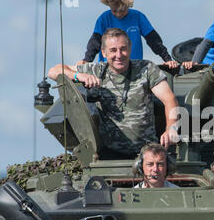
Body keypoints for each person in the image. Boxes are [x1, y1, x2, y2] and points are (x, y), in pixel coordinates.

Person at [48, 28, 179, 157]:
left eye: (123, 49)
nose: (119, 55)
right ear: (104, 53)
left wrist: (171, 129)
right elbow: (54, 72)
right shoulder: (97, 70)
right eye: (113, 50)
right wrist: (78, 76)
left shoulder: (146, 69)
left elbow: (169, 99)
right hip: (109, 153)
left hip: (146, 153)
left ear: (129, 49)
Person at [81, 0, 178, 69]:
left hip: (134, 68)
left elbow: (154, 41)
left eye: (122, 10)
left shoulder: (138, 17)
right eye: (114, 11)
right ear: (108, 5)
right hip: (109, 69)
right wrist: (86, 60)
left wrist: (167, 59)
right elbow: (94, 43)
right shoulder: (104, 19)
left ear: (129, 5)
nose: (118, 14)